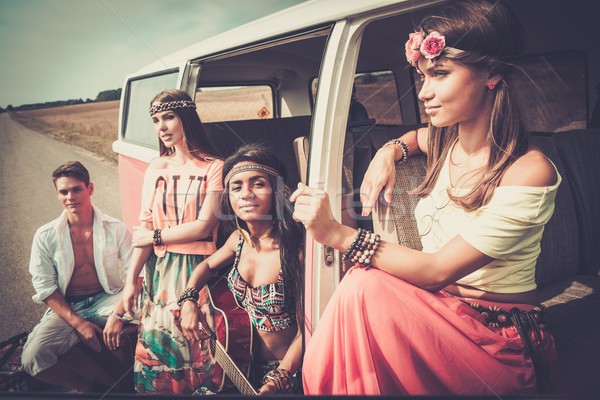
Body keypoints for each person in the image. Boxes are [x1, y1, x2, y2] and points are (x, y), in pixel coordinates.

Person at [292, 0, 559, 395]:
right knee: (362, 285)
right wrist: (389, 151)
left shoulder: (528, 171)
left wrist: (337, 234)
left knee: (364, 285)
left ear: (491, 74)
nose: (424, 93)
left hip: (499, 339)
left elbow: (436, 270)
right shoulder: (446, 141)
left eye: (440, 74)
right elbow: (417, 137)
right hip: (440, 313)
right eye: (421, 77)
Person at [120, 89, 224, 394]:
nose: (161, 127)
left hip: (198, 269)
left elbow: (205, 225)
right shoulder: (155, 168)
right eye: (155, 120)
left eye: (168, 117)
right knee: (159, 353)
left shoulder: (214, 167)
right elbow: (146, 224)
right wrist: (131, 281)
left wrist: (154, 236)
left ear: (186, 118)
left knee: (196, 351)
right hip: (161, 271)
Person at [180, 144, 305, 395]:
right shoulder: (238, 239)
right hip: (242, 367)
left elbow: (308, 332)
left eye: (257, 184)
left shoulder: (295, 252)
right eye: (236, 187)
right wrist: (188, 300)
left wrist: (277, 380)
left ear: (276, 191)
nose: (246, 194)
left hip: (288, 374)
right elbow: (205, 265)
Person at [21, 161, 132, 392]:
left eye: (76, 189)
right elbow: (44, 287)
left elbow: (136, 274)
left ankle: (145, 379)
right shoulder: (45, 235)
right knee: (32, 357)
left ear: (89, 188)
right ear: (57, 194)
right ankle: (92, 388)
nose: (70, 196)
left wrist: (118, 314)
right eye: (64, 191)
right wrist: (78, 323)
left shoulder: (115, 227)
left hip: (107, 299)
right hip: (67, 305)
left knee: (153, 315)